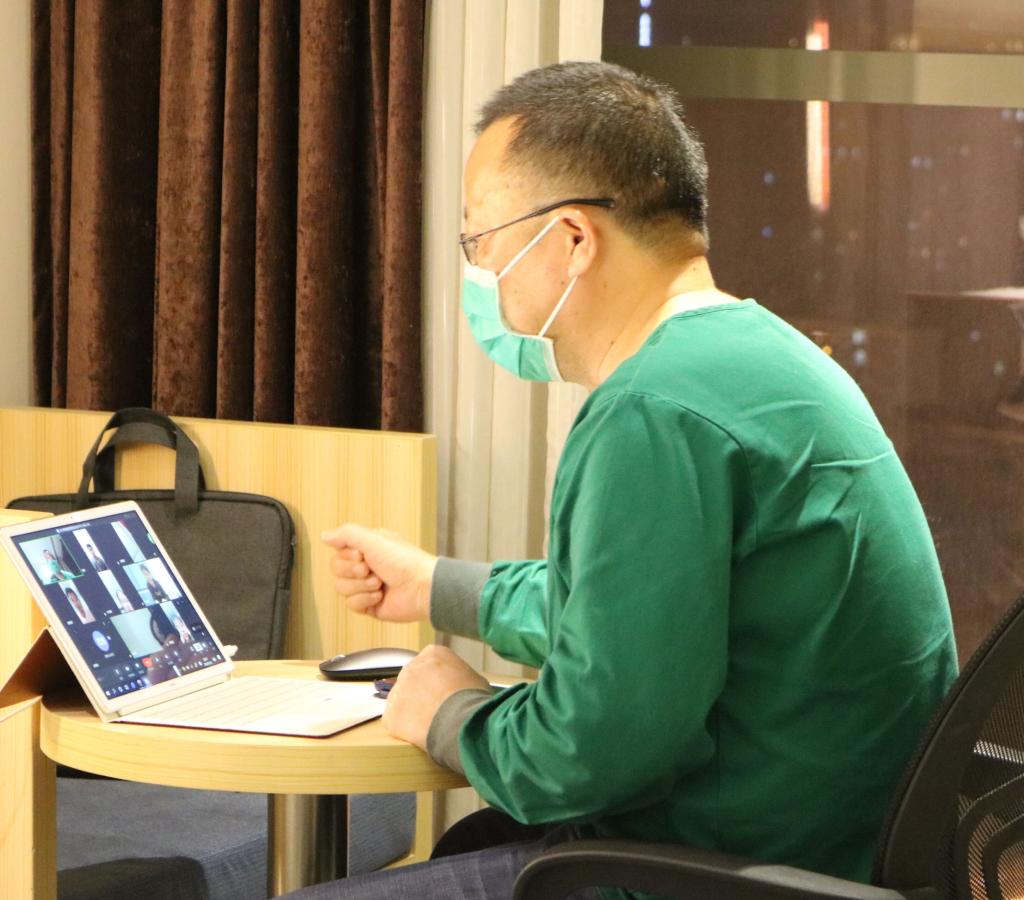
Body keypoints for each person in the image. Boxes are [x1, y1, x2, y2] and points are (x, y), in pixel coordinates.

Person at [295, 62, 958, 900]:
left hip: (725, 874)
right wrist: (435, 586)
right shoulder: (757, 358)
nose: (478, 270)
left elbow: (580, 757)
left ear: (573, 239)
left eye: (479, 240)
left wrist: (449, 713)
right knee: (469, 844)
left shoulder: (652, 411)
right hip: (825, 851)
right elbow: (633, 623)